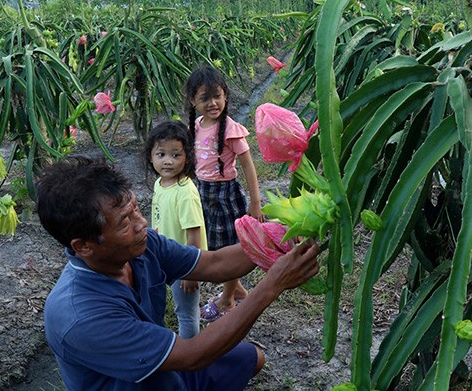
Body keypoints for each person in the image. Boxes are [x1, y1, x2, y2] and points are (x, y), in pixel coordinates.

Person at [37, 156, 319, 391]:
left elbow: (215, 263)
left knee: (253, 358)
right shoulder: (80, 316)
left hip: (166, 372)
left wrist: (273, 239)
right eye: (125, 221)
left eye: (136, 209)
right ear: (84, 246)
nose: (142, 223)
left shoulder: (141, 247)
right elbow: (192, 355)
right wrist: (273, 285)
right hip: (166, 369)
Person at [185, 66, 265, 322]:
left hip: (225, 196)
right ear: (192, 101)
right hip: (203, 192)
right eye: (205, 98)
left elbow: (248, 165)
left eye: (217, 96)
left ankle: (227, 300)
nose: (213, 103)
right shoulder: (196, 126)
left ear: (226, 96)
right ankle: (238, 290)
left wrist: (255, 202)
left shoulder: (230, 130)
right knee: (214, 246)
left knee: (228, 249)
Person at [145, 121, 206, 339]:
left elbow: (194, 233)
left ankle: (191, 356)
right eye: (161, 154)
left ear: (187, 157)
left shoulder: (185, 192)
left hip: (183, 263)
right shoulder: (160, 183)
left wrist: (191, 271)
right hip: (165, 257)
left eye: (175, 155)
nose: (167, 161)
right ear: (150, 156)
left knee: (187, 313)